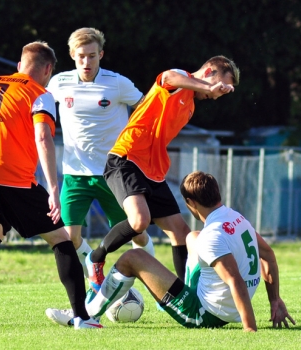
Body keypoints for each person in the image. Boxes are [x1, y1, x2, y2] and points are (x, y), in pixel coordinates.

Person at [0, 41, 101, 329]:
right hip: (11, 179)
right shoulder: (40, 93)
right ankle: (82, 317)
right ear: (48, 70)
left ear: (19, 65)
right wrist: (54, 188)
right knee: (62, 239)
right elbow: (43, 138)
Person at [51, 171, 295, 330]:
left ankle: (85, 315)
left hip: (204, 314)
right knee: (192, 237)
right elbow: (269, 256)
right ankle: (180, 291)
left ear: (191, 204)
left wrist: (249, 329)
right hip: (223, 305)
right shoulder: (237, 218)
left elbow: (235, 282)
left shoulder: (213, 236)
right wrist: (274, 300)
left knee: (132, 258)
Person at [83, 56, 240, 299]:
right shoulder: (180, 78)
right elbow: (167, 77)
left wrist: (209, 88)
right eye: (220, 86)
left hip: (153, 170)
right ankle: (95, 258)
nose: (217, 95)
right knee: (139, 222)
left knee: (182, 232)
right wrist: (208, 87)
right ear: (209, 71)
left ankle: (189, 295)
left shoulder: (190, 106)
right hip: (127, 158)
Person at [46, 28, 154, 282]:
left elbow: (147, 109)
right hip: (75, 174)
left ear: (101, 54)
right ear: (72, 55)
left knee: (137, 233)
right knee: (69, 237)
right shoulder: (58, 84)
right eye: (81, 56)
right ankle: (97, 275)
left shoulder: (118, 83)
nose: (87, 62)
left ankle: (155, 283)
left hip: (113, 173)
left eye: (92, 56)